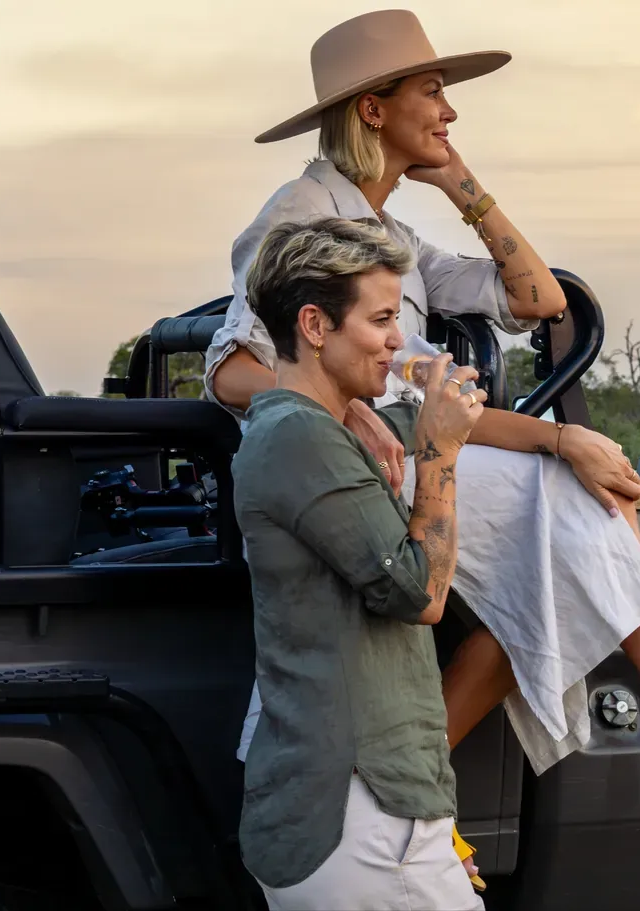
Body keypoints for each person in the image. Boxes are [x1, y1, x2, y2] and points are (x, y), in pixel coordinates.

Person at [205, 8, 640, 841]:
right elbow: (231, 371)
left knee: (548, 570)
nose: (450, 110)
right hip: (341, 471)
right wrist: (349, 410)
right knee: (576, 503)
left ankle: (420, 787)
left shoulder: (392, 234)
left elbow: (538, 298)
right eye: (433, 92)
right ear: (374, 109)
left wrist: (462, 182)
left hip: (420, 451)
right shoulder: (301, 212)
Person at [231, 216, 484, 907]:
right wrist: (439, 454)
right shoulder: (298, 437)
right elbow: (422, 593)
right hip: (363, 823)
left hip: (369, 820)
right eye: (381, 319)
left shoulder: (320, 430)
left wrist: (553, 439)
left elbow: (428, 422)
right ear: (315, 326)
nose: (398, 339)